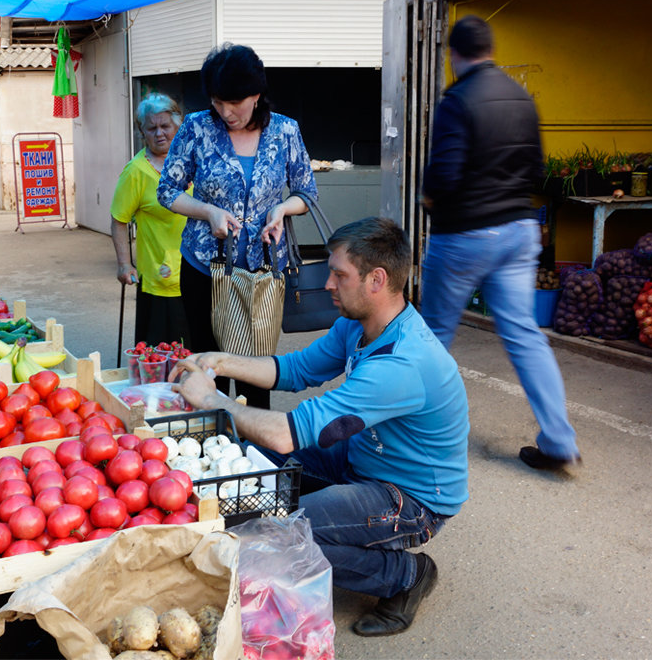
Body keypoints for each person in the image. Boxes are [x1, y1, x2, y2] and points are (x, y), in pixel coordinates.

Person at [173, 217, 468, 637]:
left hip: (412, 499)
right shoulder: (360, 324)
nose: (327, 283)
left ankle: (405, 574)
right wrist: (218, 361)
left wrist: (211, 399)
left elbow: (287, 432)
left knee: (287, 532)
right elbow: (295, 369)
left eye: (339, 274)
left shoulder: (402, 362)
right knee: (249, 450)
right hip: (363, 459)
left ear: (376, 280)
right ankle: (323, 519)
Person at [419, 14, 581, 471]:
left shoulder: (457, 99)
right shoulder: (521, 97)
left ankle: (412, 435)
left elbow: (444, 175)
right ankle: (559, 442)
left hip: (466, 234)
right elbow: (537, 171)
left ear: (454, 55)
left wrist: (430, 201)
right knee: (525, 336)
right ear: (490, 50)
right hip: (518, 230)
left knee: (432, 336)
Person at [157, 44, 317, 410]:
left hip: (262, 274)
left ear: (257, 94)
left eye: (235, 102)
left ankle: (254, 451)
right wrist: (207, 211)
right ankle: (211, 443)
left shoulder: (285, 131)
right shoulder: (197, 128)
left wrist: (281, 209)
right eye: (218, 102)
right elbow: (167, 191)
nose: (226, 112)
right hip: (204, 270)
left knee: (257, 370)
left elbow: (307, 193)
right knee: (208, 365)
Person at [110, 93, 191, 346]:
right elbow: (119, 220)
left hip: (200, 272)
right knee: (162, 355)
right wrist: (125, 264)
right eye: (151, 128)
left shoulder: (193, 160)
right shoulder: (136, 171)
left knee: (198, 352)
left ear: (178, 126)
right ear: (142, 131)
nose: (159, 133)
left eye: (165, 126)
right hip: (160, 278)